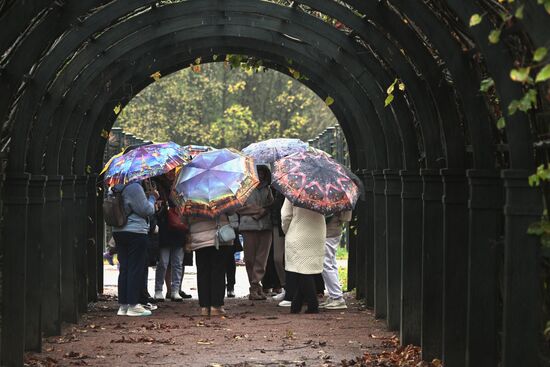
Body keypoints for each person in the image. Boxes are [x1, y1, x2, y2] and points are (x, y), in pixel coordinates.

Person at [111, 180, 158, 317]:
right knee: (135, 267)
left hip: (119, 231)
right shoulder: (134, 187)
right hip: (135, 231)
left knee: (125, 267)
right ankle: (133, 304)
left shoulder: (115, 188)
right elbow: (146, 210)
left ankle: (123, 305)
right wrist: (152, 198)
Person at [186, 214, 239, 316]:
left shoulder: (192, 200)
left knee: (202, 272)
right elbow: (232, 212)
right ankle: (216, 305)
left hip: (199, 238)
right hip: (218, 237)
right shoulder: (221, 199)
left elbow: (185, 218)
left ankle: (204, 306)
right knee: (218, 271)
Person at [281, 198, 326, 314]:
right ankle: (296, 305)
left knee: (302, 271)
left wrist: (287, 231)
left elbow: (286, 216)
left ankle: (312, 305)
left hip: (299, 233)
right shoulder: (322, 193)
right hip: (318, 232)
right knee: (306, 270)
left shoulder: (294, 190)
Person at [237, 165, 274, 300]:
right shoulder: (245, 188)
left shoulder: (268, 189)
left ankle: (256, 285)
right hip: (248, 226)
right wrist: (257, 211)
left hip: (265, 227)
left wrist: (264, 211)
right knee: (250, 259)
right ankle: (254, 286)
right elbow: (238, 208)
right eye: (258, 172)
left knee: (262, 259)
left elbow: (271, 206)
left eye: (263, 172)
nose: (261, 175)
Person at [153, 172, 186, 302]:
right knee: (163, 262)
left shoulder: (180, 187)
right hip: (164, 227)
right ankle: (159, 289)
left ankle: (175, 289)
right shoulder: (157, 185)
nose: (171, 173)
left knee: (178, 262)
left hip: (178, 228)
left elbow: (183, 205)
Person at [320, 211, 352, 309]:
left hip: (330, 231)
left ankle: (336, 297)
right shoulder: (340, 197)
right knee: (331, 262)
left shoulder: (335, 198)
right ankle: (334, 294)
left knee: (326, 263)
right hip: (334, 229)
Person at [270, 187, 286, 301]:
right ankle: (285, 286)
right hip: (278, 225)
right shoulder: (278, 189)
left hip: (292, 226)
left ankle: (292, 289)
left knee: (290, 259)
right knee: (278, 259)